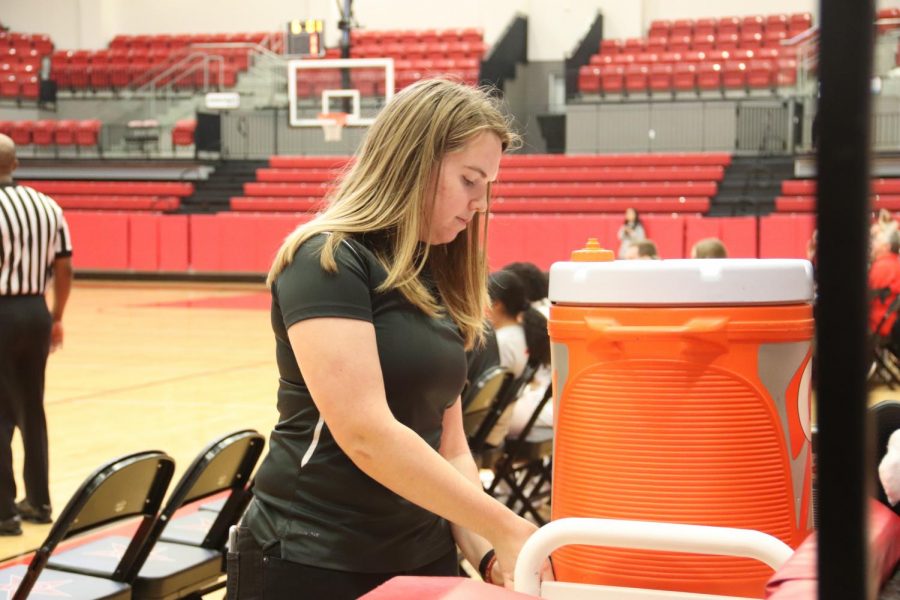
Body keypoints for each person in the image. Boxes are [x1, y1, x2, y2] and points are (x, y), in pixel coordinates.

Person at [231, 79, 549, 599]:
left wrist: (486, 552)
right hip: (314, 559)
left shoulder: (439, 273)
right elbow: (366, 434)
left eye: (486, 186)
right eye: (470, 180)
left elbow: (450, 448)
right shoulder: (327, 259)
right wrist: (508, 528)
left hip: (424, 555)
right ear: (415, 163)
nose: (479, 204)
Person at [0, 133, 73, 535]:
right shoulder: (47, 205)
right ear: (15, 163)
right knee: (32, 408)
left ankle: (4, 512)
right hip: (36, 311)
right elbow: (65, 268)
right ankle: (40, 502)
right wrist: (56, 315)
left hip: (1, 312)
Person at [484, 270, 551, 447]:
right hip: (502, 420)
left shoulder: (501, 342)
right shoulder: (523, 334)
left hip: (492, 426)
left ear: (496, 305)